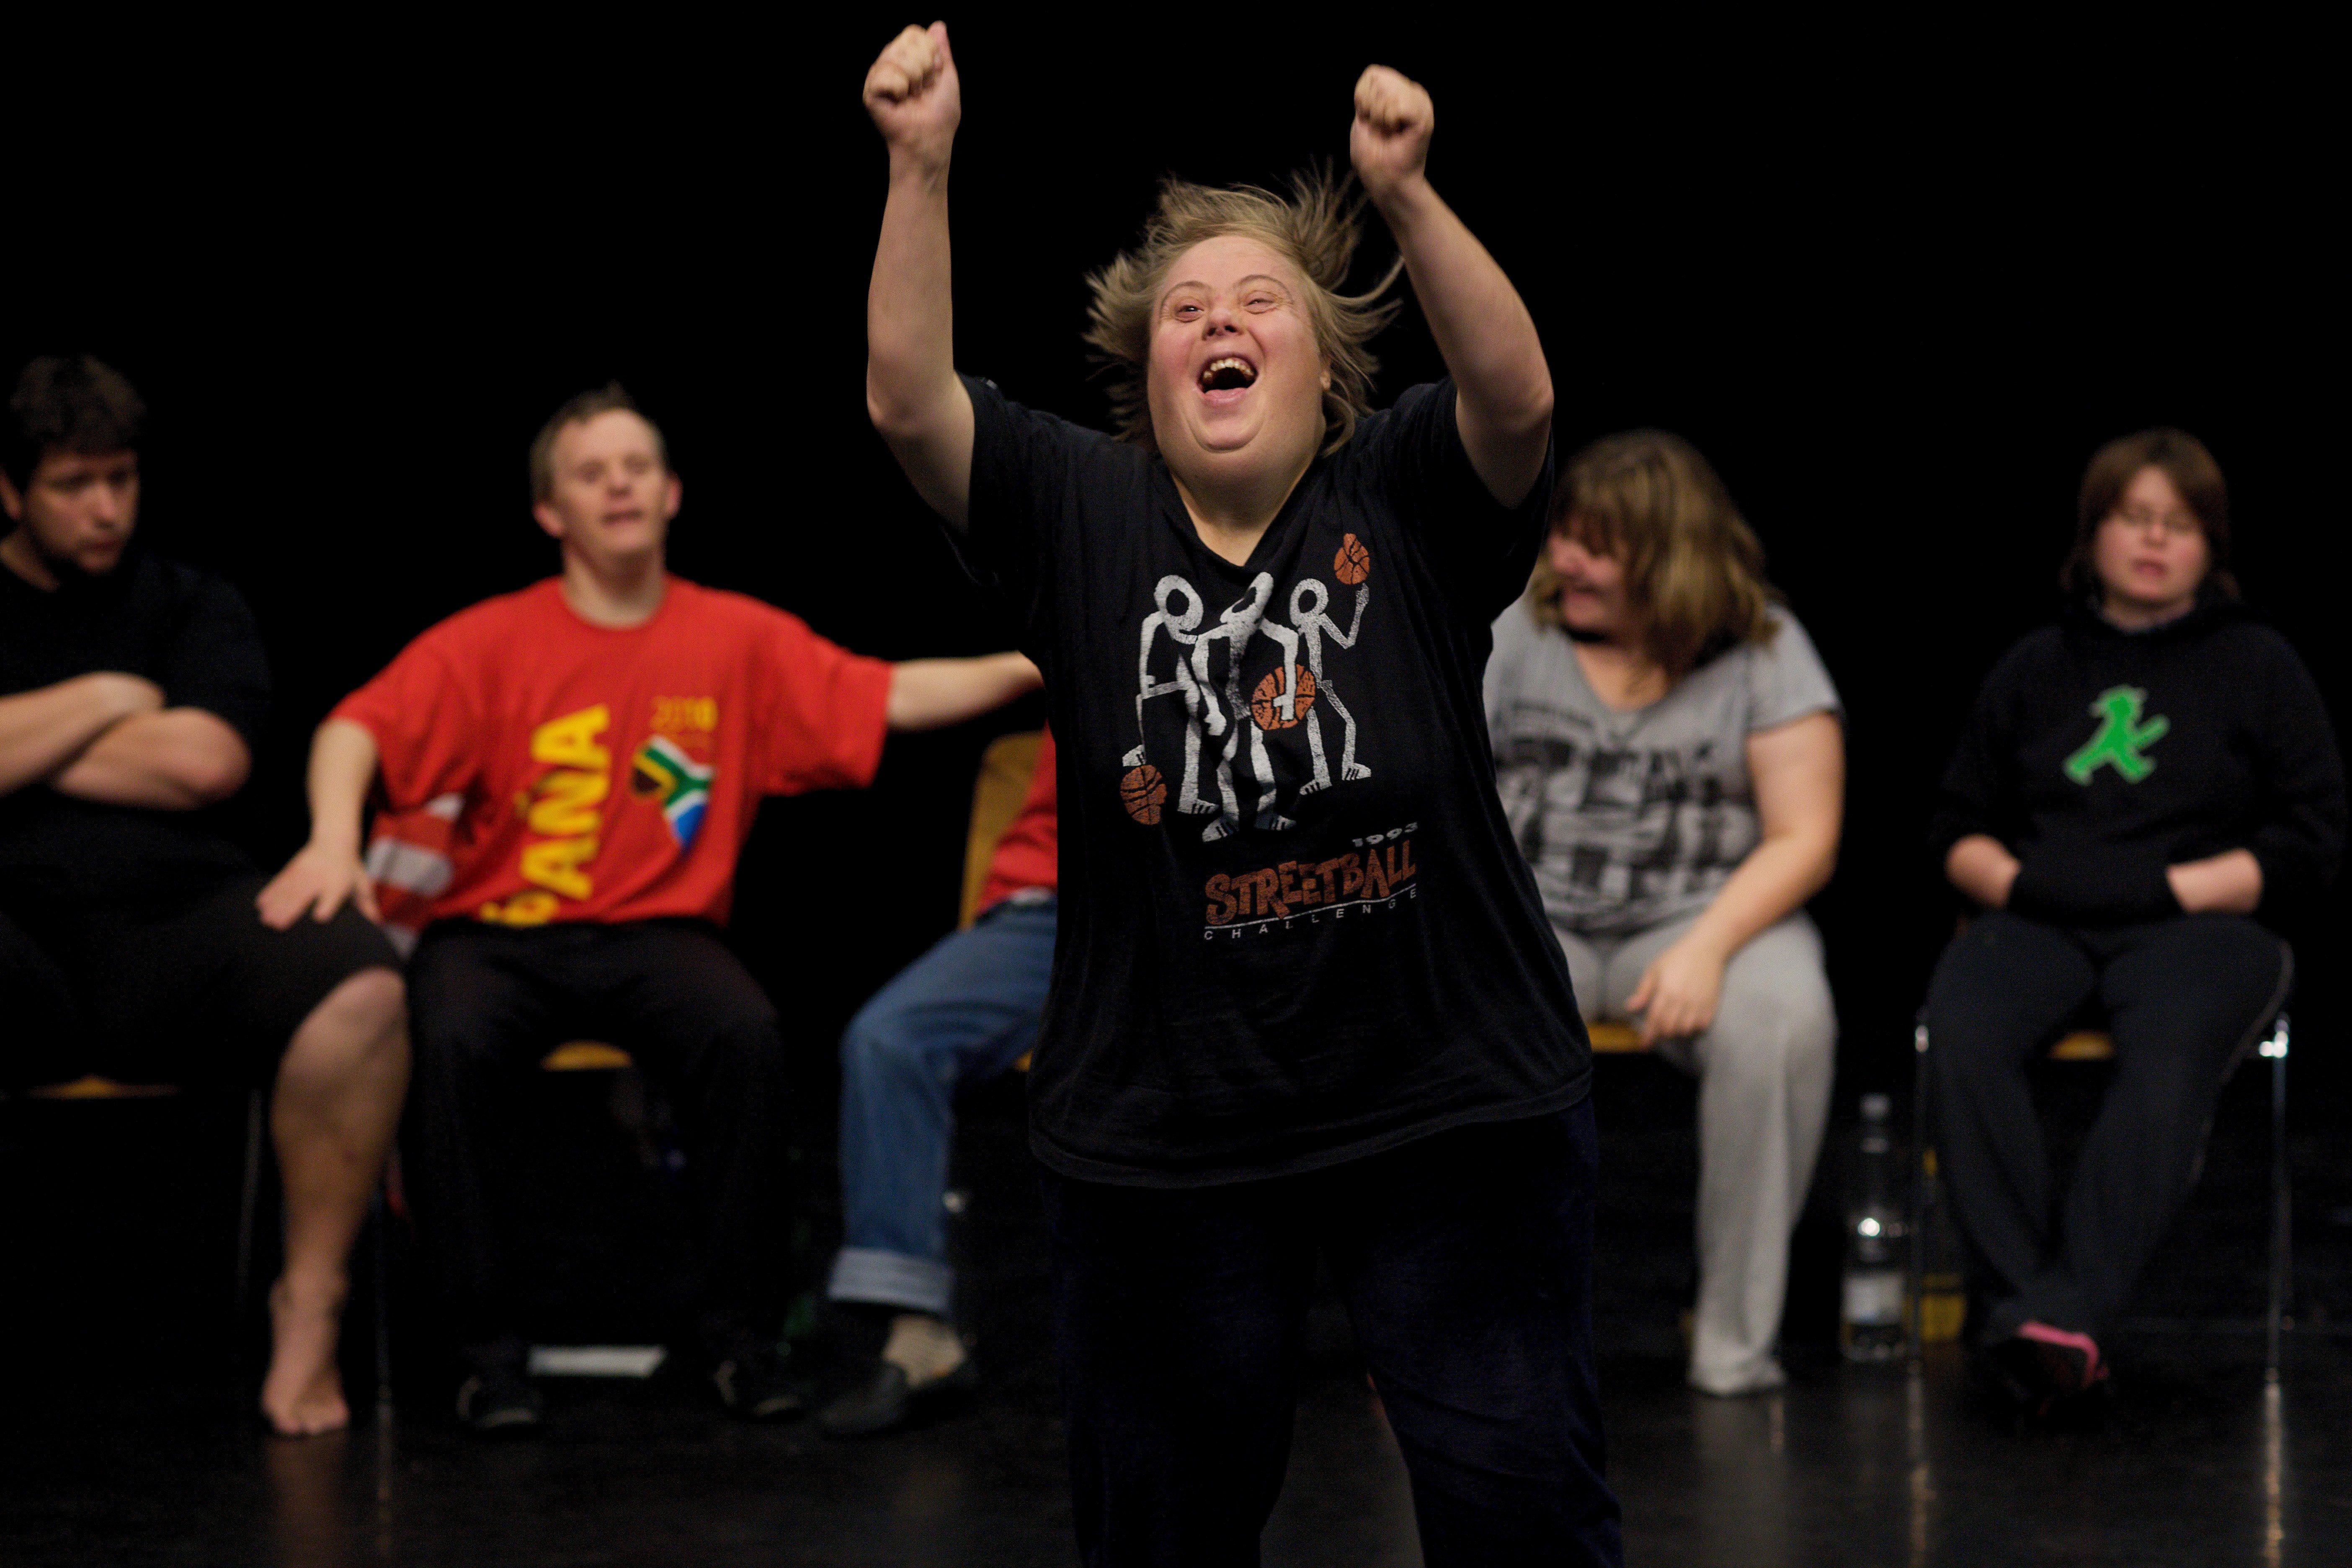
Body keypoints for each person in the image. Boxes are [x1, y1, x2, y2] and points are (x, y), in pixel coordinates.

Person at [864, 25, 1622, 1564]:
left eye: (1259, 301)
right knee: (1165, 1532)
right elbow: (910, 406)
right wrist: (919, 164)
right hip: (1165, 1134)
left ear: (1322, 366)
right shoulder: (1078, 508)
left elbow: (1518, 398)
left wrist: (1406, 195)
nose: (1219, 321)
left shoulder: (1400, 490)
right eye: (1185, 311)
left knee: (1519, 1509)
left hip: (1448, 1103)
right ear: (1150, 372)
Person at [258, 384, 1039, 1431]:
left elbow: (887, 694)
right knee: (442, 1039)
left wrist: (1043, 658)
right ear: (551, 512)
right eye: (592, 473)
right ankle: (486, 1358)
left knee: (745, 1035)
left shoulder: (733, 636)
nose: (619, 486)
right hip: (500, 936)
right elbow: (353, 728)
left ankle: (740, 1343)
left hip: (659, 935)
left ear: (671, 494)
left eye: (637, 468)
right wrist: (329, 838)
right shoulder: (490, 640)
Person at [0, 355, 409, 1438]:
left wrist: (22, 740)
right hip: (18, 936)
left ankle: (308, 1306)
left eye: (122, 479)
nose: (105, 508)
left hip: (172, 925)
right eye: (73, 485)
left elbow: (205, 764)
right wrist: (108, 697)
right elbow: (161, 745)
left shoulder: (191, 603)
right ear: (10, 491)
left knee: (361, 982)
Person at [1925, 428, 2343, 1413]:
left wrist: (2170, 891)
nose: (2155, 540)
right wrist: (2024, 887)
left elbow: (2311, 839)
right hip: (2042, 915)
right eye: (2134, 518)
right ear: (2093, 535)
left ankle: (2062, 1312)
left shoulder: (2258, 663)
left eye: (2180, 524)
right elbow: (1957, 828)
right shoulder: (2035, 665)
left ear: (2211, 548)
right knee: (1965, 1023)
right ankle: (2031, 1315)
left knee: (2173, 1041)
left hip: (2196, 924)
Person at [1485, 431, 1844, 1398]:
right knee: (1458, 1012)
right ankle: (1453, 1338)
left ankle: (1733, 1346)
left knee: (1784, 1019)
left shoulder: (1765, 651)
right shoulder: (1517, 632)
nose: (1566, 561)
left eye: (1597, 548)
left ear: (1669, 558)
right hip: (1535, 917)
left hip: (1699, 916)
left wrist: (1709, 948)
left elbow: (1806, 835)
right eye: (1565, 536)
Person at [819, 727, 1057, 1436]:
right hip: (1053, 908)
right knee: (892, 1040)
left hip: (1207, 897)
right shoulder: (1091, 653)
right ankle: (918, 1331)